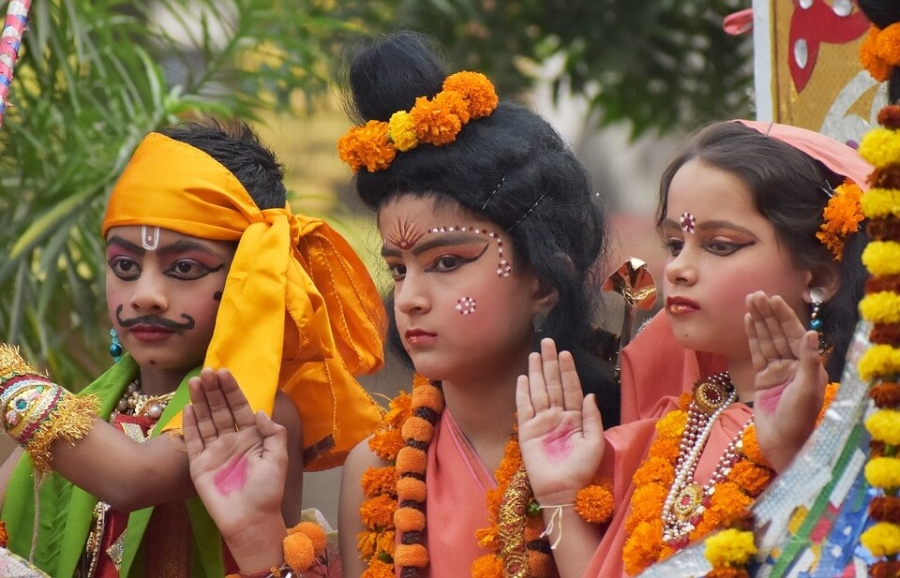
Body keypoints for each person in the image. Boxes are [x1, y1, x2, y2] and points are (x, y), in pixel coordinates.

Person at [181, 31, 622, 578]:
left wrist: (560, 500)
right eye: (398, 269)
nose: (409, 299)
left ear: (544, 278)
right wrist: (257, 538)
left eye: (446, 262)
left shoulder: (618, 437)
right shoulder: (377, 467)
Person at [0, 120, 386, 577]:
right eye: (124, 265)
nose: (146, 294)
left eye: (183, 267)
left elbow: (132, 477)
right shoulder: (87, 413)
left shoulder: (253, 415)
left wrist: (7, 379)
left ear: (248, 280)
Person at [516, 119, 871, 577]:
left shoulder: (858, 431)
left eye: (719, 245)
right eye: (675, 243)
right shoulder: (673, 430)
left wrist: (794, 454)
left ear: (821, 274)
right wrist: (560, 493)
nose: (679, 269)